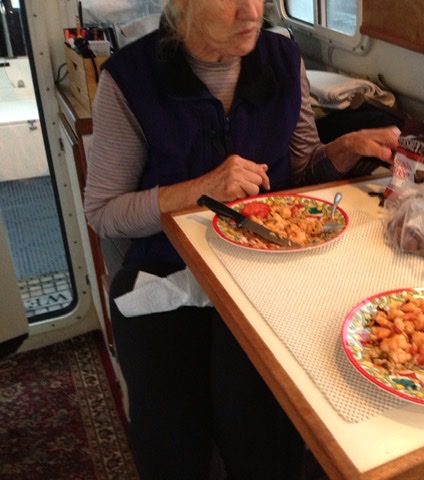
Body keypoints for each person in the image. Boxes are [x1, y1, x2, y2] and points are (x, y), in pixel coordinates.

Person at [83, 0, 399, 478]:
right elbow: (104, 211)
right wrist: (200, 189)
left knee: (264, 418)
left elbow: (301, 169)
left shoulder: (282, 59)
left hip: (267, 268)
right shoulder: (129, 78)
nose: (252, 12)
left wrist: (343, 148)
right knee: (170, 431)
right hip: (168, 268)